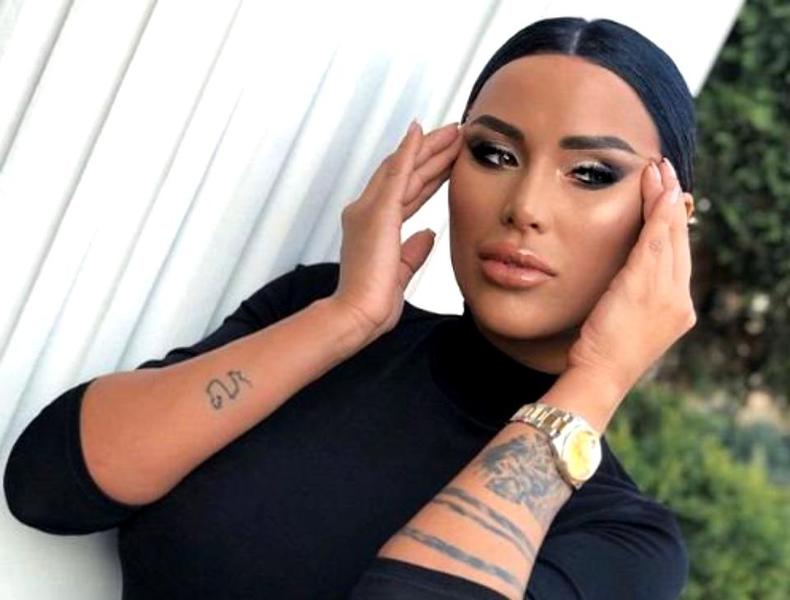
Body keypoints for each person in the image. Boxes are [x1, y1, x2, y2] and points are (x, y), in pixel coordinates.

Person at [3, 16, 698, 600]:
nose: (526, 207)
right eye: (493, 154)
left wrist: (598, 381)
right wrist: (348, 319)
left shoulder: (623, 541)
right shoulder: (314, 314)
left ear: (664, 221)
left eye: (591, 174)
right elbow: (46, 488)